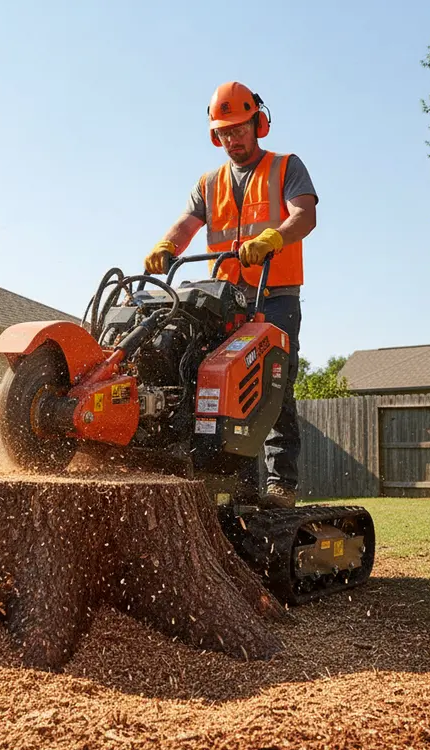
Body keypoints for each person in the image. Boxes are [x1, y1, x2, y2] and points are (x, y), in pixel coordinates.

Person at [143, 81, 317, 509]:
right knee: (217, 387)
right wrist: (167, 246)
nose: (232, 139)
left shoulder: (286, 166)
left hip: (274, 295)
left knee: (275, 387)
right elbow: (187, 223)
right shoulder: (210, 182)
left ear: (257, 123)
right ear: (214, 135)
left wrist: (274, 237)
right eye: (224, 133)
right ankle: (236, 482)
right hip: (225, 299)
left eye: (239, 128)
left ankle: (280, 483)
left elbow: (305, 215)